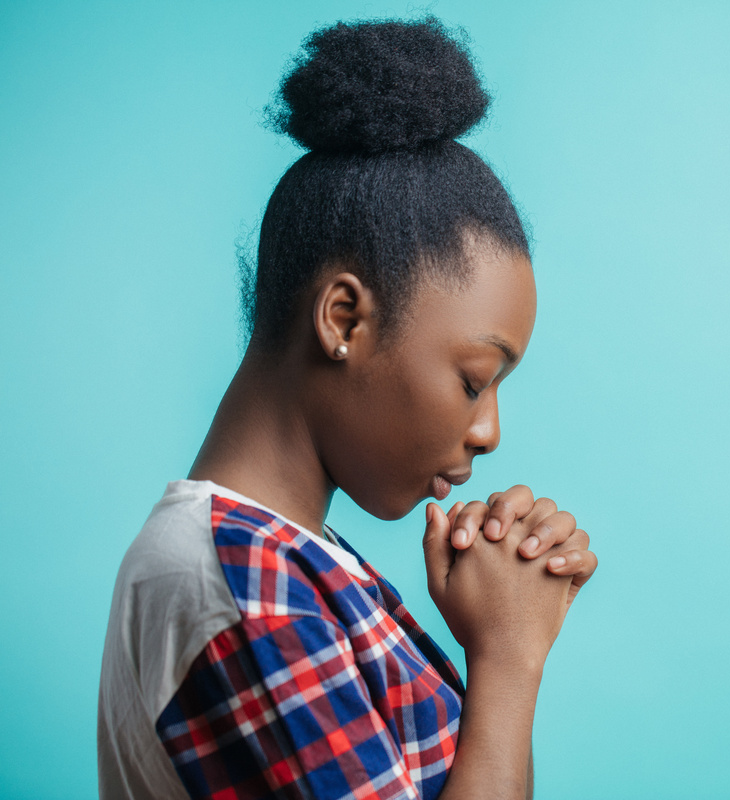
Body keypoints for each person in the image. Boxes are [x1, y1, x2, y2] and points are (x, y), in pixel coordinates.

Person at [97, 17, 598, 800]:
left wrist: (499, 619)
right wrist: (509, 656)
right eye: (474, 380)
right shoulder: (243, 583)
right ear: (343, 320)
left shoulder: (294, 562)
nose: (489, 432)